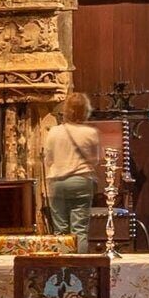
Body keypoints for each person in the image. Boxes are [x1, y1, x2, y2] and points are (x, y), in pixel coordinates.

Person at [39, 90, 104, 244]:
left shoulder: (54, 132)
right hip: (81, 181)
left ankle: (61, 267)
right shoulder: (91, 133)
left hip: (57, 182)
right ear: (86, 110)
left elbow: (48, 160)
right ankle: (79, 267)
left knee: (60, 230)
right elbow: (95, 160)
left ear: (66, 110)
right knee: (79, 230)